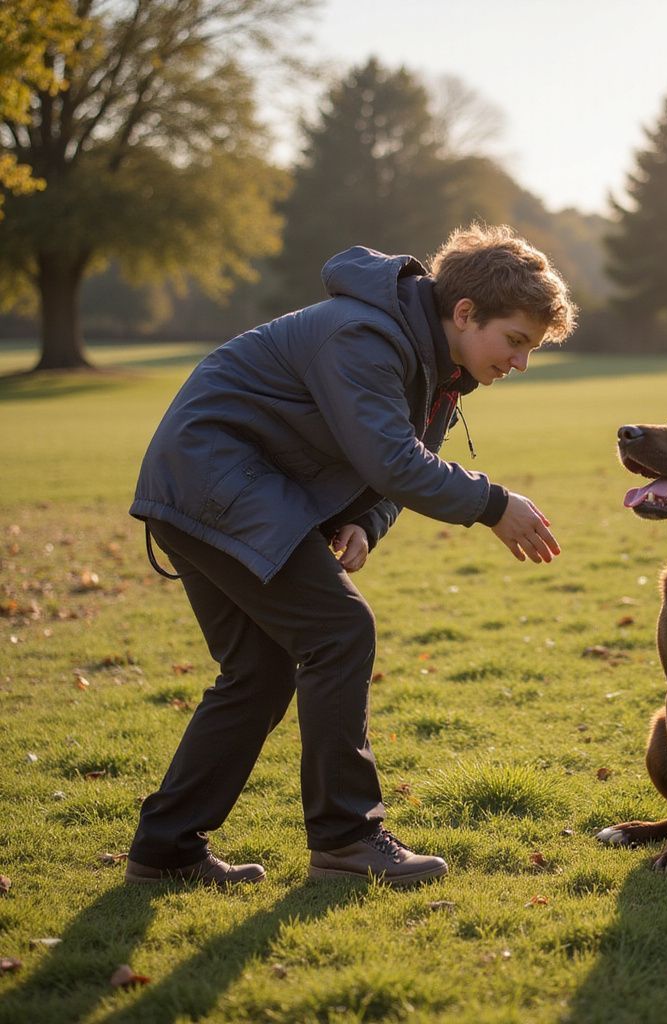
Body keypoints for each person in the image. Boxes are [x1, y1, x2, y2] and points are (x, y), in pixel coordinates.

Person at [124, 223, 576, 887]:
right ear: (464, 312)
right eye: (515, 342)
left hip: (213, 489)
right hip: (213, 481)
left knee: (258, 670)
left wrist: (364, 520)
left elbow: (400, 464)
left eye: (530, 349)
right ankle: (347, 839)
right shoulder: (364, 336)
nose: (519, 363)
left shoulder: (440, 371)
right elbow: (395, 460)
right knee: (339, 631)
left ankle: (166, 849)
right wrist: (493, 504)